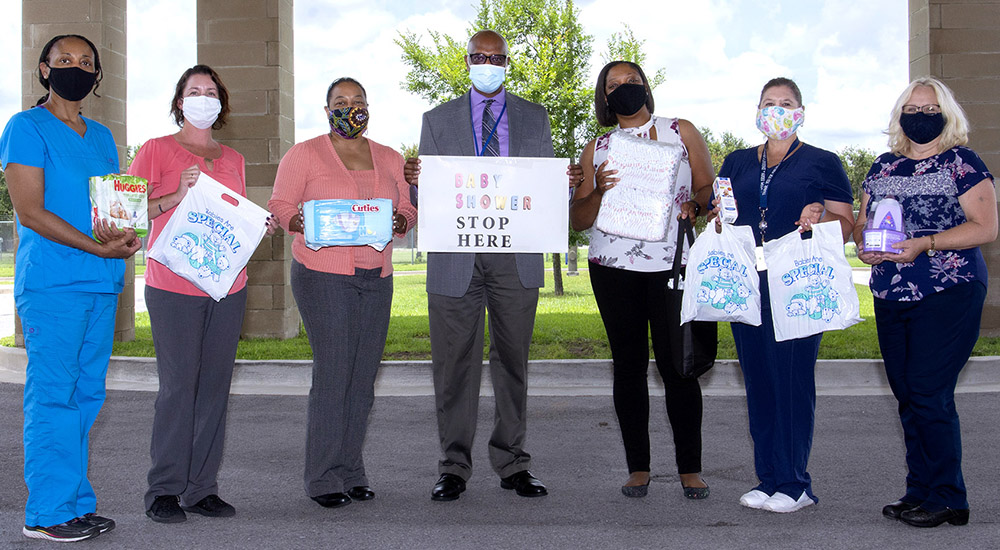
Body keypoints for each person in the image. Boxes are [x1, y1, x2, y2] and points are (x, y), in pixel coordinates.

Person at [403, 29, 580, 502]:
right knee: (453, 366)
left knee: (513, 363)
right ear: (466, 61)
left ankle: (512, 461)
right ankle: (453, 467)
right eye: (479, 57)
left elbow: (546, 190)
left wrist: (567, 182)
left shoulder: (533, 117)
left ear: (506, 64)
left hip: (515, 256)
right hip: (455, 256)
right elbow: (429, 197)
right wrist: (414, 181)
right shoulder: (435, 119)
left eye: (496, 58)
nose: (488, 63)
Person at [0, 33, 142, 542]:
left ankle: (73, 504)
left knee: (85, 396)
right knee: (54, 396)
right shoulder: (25, 127)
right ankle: (45, 514)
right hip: (54, 284)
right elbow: (30, 211)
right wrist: (95, 246)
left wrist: (122, 236)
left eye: (85, 62)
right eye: (64, 60)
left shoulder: (103, 136)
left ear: (97, 76)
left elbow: (113, 207)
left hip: (102, 283)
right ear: (44, 70)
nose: (74, 68)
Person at [129, 65, 276, 524]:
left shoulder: (233, 159)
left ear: (221, 103)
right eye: (194, 91)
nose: (203, 98)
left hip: (227, 287)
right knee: (178, 388)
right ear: (179, 102)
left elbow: (231, 218)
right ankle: (164, 490)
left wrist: (259, 225)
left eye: (211, 92)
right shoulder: (155, 150)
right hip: (172, 286)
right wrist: (174, 195)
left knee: (214, 388)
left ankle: (201, 488)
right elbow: (129, 211)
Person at [854, 77, 996, 528]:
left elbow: (985, 227)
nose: (920, 116)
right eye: (912, 109)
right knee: (907, 395)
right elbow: (862, 226)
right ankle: (920, 491)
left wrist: (926, 242)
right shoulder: (880, 168)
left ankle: (950, 497)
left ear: (947, 115)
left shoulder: (963, 164)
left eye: (930, 109)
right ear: (900, 116)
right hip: (891, 293)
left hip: (948, 290)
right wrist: (866, 247)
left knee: (928, 392)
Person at [268, 77, 416, 509]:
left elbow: (407, 205)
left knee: (362, 380)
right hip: (322, 274)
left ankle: (352, 470)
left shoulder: (390, 157)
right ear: (326, 108)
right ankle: (322, 476)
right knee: (334, 376)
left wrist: (402, 221)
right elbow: (280, 205)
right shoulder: (305, 154)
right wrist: (301, 222)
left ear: (368, 107)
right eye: (340, 101)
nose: (349, 108)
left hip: (377, 276)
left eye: (357, 101)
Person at [569, 61, 713, 499]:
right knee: (628, 366)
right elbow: (578, 219)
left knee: (678, 367)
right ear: (605, 96)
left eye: (632, 81)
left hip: (672, 264)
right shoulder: (597, 147)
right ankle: (638, 468)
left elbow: (707, 187)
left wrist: (696, 207)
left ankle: (690, 468)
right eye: (614, 85)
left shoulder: (681, 130)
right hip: (613, 268)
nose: (625, 89)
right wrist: (597, 190)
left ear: (646, 87)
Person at [712, 77, 854, 513]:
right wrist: (717, 217)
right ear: (757, 111)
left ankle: (796, 484)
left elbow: (845, 223)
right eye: (769, 103)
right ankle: (768, 477)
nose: (777, 110)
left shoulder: (822, 162)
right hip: (746, 284)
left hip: (795, 283)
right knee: (758, 383)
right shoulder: (736, 162)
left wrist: (821, 215)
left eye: (786, 103)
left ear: (801, 112)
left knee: (791, 381)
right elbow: (723, 215)